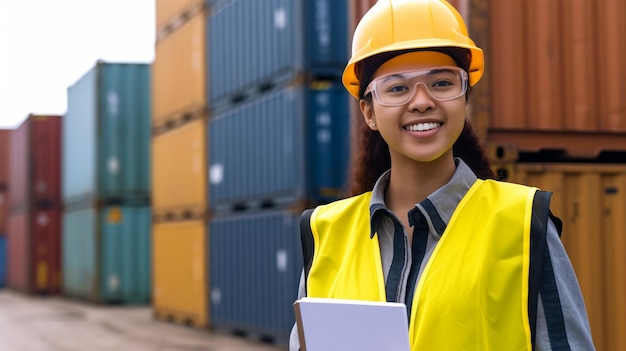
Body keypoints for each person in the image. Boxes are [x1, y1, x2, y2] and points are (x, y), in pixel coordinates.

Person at [289, 0, 596, 350]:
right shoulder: (325, 234)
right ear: (369, 112)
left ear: (464, 99)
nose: (421, 101)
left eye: (442, 82)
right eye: (398, 87)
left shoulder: (524, 225)